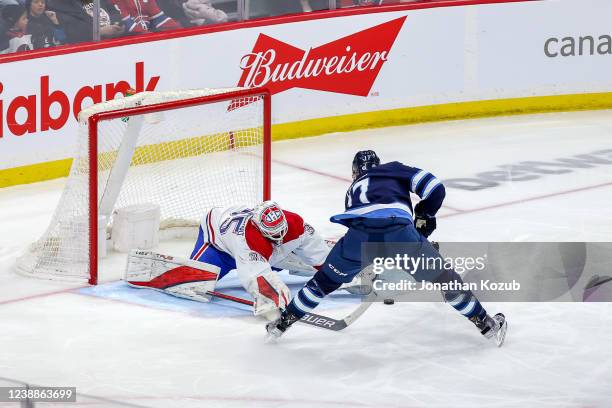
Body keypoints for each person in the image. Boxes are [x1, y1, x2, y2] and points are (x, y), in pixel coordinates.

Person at [266, 150, 508, 346]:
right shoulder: (391, 169)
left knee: (322, 283)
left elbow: (373, 228)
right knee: (446, 280)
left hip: (357, 239)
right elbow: (435, 188)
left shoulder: (352, 191)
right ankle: (485, 324)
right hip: (399, 233)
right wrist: (425, 214)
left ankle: (282, 324)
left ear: (354, 172)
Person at [128, 201, 330, 320]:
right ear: (258, 228)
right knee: (197, 278)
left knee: (301, 258)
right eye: (272, 235)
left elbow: (316, 250)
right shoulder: (248, 239)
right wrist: (273, 304)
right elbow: (256, 276)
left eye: (281, 232)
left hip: (264, 252)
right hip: (219, 245)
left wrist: (334, 269)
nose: (278, 237)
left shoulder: (295, 223)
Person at [49, 0, 123, 44]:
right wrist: (99, 32)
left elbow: (114, 11)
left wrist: (116, 25)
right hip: (91, 48)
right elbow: (72, 31)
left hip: (114, 41)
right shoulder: (61, 4)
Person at [111, 0, 181, 34]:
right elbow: (129, 26)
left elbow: (159, 18)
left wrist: (180, 32)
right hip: (129, 45)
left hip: (149, 40)